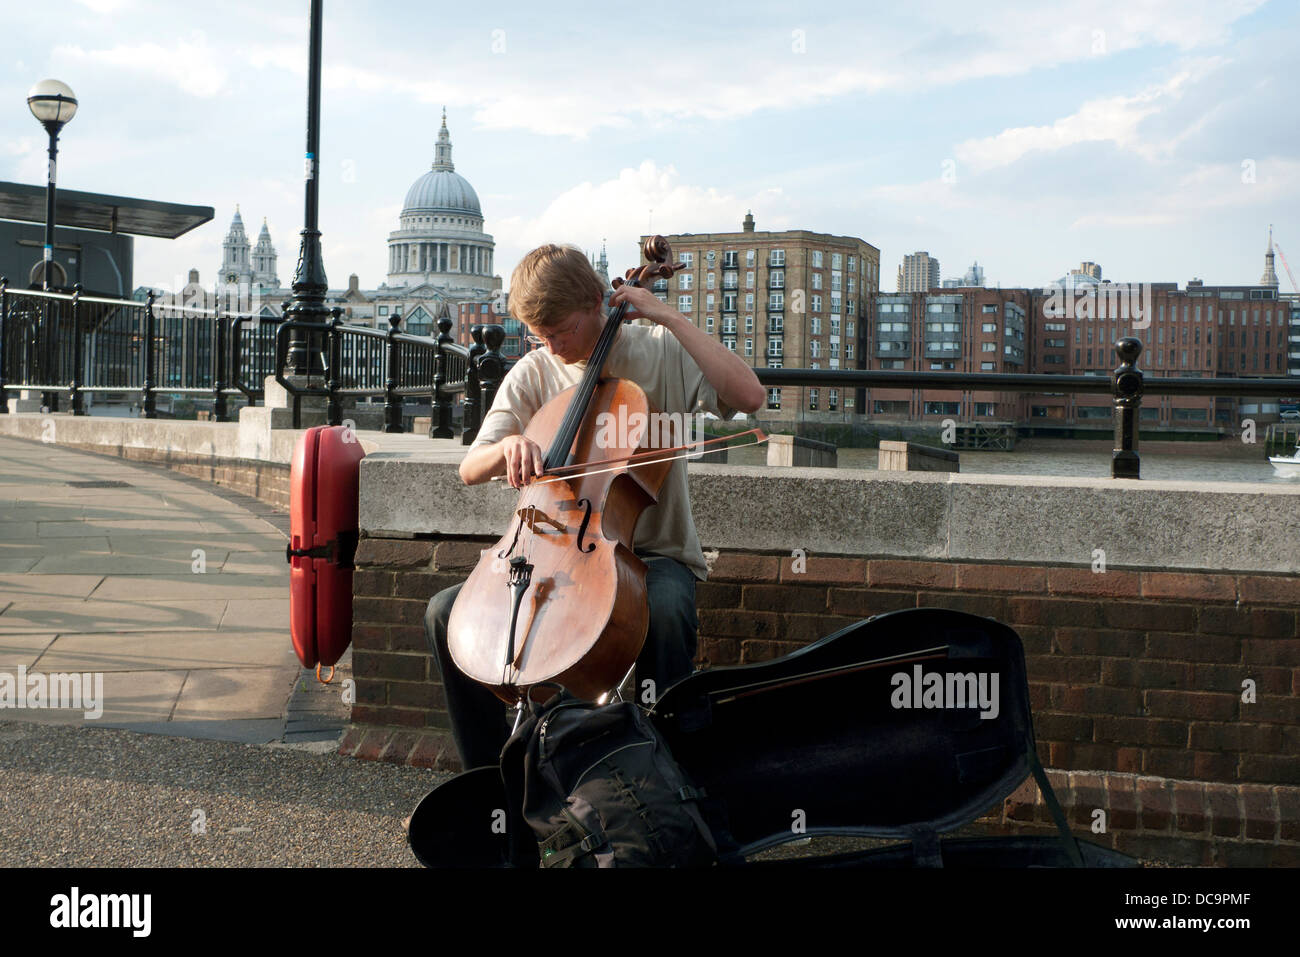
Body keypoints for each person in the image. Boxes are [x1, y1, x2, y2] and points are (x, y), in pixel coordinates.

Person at [423, 243, 765, 769]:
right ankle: (492, 787)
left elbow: (749, 397)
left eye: (562, 331)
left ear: (596, 304)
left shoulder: (660, 352)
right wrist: (508, 449)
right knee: (446, 613)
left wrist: (670, 317)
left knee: (667, 609)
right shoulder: (535, 372)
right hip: (551, 556)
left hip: (653, 557)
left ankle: (673, 781)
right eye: (540, 335)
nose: (553, 346)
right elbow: (470, 468)